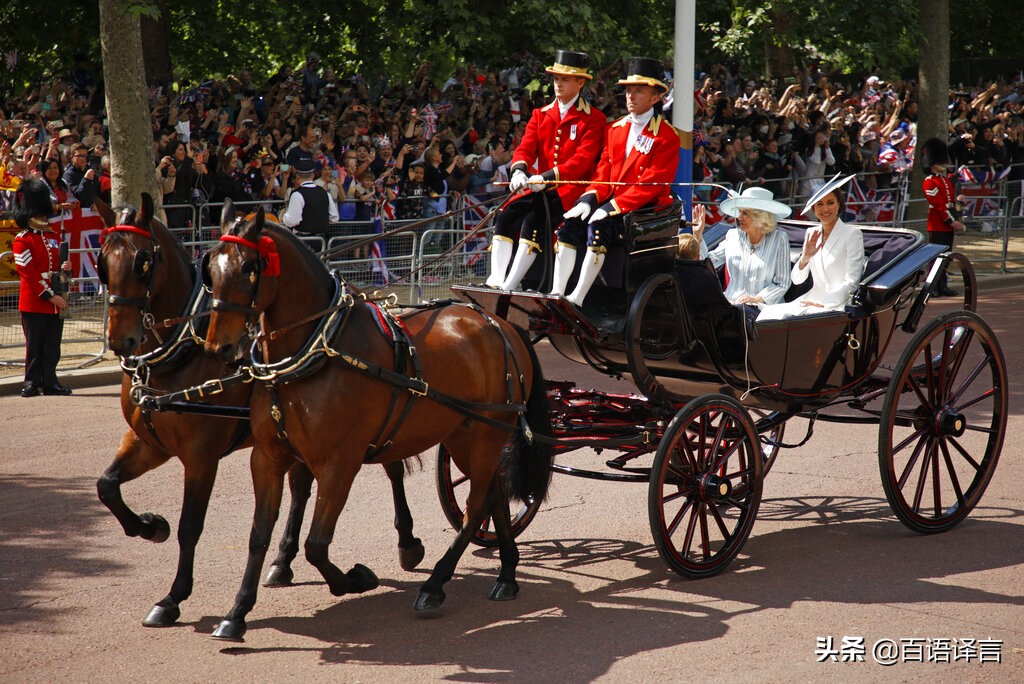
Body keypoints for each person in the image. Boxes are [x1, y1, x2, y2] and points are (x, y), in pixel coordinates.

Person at [554, 57, 679, 306]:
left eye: (639, 91)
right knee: (569, 225)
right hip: (610, 203)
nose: (630, 96)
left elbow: (650, 184)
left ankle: (577, 297)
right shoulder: (615, 129)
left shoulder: (667, 136)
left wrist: (611, 208)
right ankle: (556, 295)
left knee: (599, 229)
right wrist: (588, 200)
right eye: (628, 91)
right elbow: (603, 173)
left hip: (645, 209)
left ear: (655, 97)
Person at [485, 49, 607, 289]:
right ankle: (496, 279)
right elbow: (526, 148)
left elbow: (581, 161)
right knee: (506, 215)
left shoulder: (594, 119)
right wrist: (519, 170)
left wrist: (545, 177)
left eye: (564, 79)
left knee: (533, 221)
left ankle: (511, 284)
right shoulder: (540, 114)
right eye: (556, 79)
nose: (558, 84)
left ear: (580, 82)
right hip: (539, 187)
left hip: (570, 191)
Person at [757, 174, 865, 320]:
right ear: (813, 209)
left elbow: (852, 282)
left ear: (838, 204)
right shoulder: (811, 232)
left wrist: (824, 303)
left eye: (830, 202)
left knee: (789, 319)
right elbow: (797, 280)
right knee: (767, 314)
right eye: (819, 204)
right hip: (810, 299)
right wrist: (806, 257)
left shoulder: (852, 234)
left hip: (837, 303)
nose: (825, 209)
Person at [12, 178, 73, 397]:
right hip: (35, 300)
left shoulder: (53, 236)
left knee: (51, 346)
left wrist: (66, 267)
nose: (43, 217)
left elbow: (57, 268)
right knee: (34, 347)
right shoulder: (23, 240)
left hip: (55, 300)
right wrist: (49, 296)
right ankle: (31, 381)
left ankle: (50, 381)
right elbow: (28, 273)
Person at [690, 186, 793, 314]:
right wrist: (698, 236)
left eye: (745, 213)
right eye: (739, 212)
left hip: (764, 309)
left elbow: (782, 283)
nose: (739, 217)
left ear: (761, 217)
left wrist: (758, 299)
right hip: (732, 305)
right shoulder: (733, 236)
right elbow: (708, 263)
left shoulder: (779, 239)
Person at [921, 137, 965, 297]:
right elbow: (939, 205)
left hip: (947, 224)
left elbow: (951, 202)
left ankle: (943, 286)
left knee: (946, 257)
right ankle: (932, 288)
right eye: (940, 162)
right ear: (932, 164)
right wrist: (951, 221)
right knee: (935, 258)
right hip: (938, 224)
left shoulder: (946, 181)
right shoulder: (929, 182)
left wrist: (958, 207)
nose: (943, 165)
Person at [280, 157, 338, 233]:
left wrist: (284, 217)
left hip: (304, 240)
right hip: (322, 239)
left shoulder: (297, 194)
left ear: (297, 177)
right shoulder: (325, 193)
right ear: (313, 176)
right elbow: (334, 218)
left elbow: (293, 221)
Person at [62, 142, 100, 208]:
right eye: (79, 156)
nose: (82, 158)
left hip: (92, 211)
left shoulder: (89, 170)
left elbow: (97, 191)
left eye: (84, 156)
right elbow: (78, 195)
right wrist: (86, 179)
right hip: (78, 211)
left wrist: (97, 203)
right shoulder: (68, 174)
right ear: (72, 157)